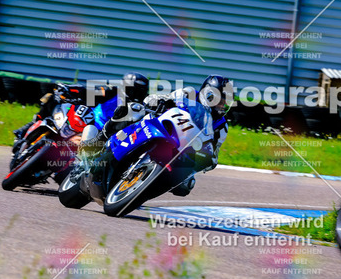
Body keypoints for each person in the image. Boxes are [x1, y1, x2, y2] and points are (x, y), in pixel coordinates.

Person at [81, 74, 233, 196]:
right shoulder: (189, 93)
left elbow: (214, 151)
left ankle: (140, 191)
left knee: (186, 186)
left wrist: (209, 159)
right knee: (133, 109)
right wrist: (158, 101)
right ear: (209, 94)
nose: (222, 105)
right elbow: (166, 98)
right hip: (160, 125)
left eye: (225, 102)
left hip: (182, 150)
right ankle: (97, 141)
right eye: (220, 100)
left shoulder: (222, 126)